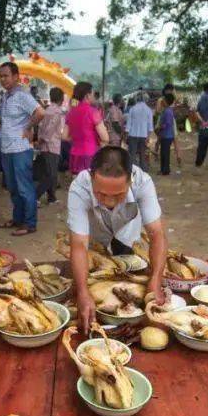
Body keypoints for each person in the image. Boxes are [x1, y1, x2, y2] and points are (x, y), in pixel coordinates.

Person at [67, 145, 168, 333]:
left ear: (131, 181)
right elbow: (79, 244)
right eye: (101, 194)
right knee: (89, 285)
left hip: (126, 235)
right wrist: (82, 291)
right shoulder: (79, 187)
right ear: (91, 178)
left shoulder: (143, 182)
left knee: (128, 281)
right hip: (94, 241)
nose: (109, 201)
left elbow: (157, 235)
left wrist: (156, 279)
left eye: (118, 195)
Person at [0, 62, 44, 237]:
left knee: (24, 188)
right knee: (13, 187)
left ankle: (30, 223)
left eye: (6, 75)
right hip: (7, 148)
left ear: (16, 76)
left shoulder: (22, 95)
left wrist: (28, 127)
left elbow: (40, 112)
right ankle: (18, 220)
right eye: (1, 76)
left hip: (21, 149)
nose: (3, 79)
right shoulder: (5, 97)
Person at [64, 81, 108, 177]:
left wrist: (77, 138)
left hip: (74, 155)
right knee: (90, 186)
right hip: (90, 154)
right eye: (92, 94)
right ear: (87, 96)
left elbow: (64, 136)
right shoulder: (93, 112)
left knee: (78, 186)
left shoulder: (70, 112)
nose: (93, 96)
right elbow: (105, 138)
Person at [35, 86, 64, 204]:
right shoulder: (57, 112)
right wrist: (42, 140)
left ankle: (52, 197)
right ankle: (35, 196)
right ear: (61, 99)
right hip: (52, 145)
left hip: (45, 146)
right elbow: (49, 130)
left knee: (49, 172)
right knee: (51, 174)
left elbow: (41, 127)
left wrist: (39, 140)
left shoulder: (46, 110)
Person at [125, 94, 154, 169]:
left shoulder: (132, 109)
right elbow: (150, 126)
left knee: (132, 155)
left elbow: (128, 125)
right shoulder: (149, 110)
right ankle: (143, 172)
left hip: (132, 135)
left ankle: (132, 172)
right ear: (145, 100)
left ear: (136, 100)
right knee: (142, 155)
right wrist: (148, 137)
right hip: (144, 136)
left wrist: (126, 136)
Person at [156, 93, 178, 176]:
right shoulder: (166, 110)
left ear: (167, 101)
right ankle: (164, 169)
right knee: (164, 153)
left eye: (164, 100)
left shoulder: (168, 111)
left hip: (167, 135)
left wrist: (159, 128)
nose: (162, 101)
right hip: (165, 135)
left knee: (165, 153)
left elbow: (168, 124)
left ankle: (165, 170)